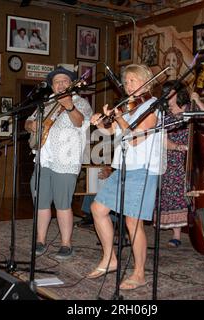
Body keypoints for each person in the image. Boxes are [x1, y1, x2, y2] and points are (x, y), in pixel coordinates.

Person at [88, 64, 162, 290]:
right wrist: (101, 122)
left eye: (133, 80)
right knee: (98, 209)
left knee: (133, 221)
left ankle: (139, 274)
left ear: (146, 82)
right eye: (127, 81)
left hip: (142, 168)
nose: (128, 85)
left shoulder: (153, 106)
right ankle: (110, 258)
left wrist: (119, 118)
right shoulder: (129, 107)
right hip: (122, 167)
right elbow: (112, 133)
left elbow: (137, 138)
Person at [24, 66, 93, 259]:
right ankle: (40, 240)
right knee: (41, 202)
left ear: (71, 84)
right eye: (57, 82)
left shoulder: (81, 103)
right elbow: (28, 122)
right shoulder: (46, 103)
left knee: (63, 203)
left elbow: (80, 122)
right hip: (44, 160)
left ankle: (66, 244)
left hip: (66, 160)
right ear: (52, 86)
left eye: (64, 81)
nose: (61, 84)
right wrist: (31, 125)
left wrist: (69, 105)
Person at [154, 81, 204, 248]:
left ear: (178, 94)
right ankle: (176, 234)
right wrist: (177, 147)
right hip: (172, 159)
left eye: (170, 93)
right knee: (173, 195)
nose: (167, 96)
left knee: (192, 195)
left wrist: (198, 100)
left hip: (192, 160)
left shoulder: (191, 108)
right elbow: (161, 138)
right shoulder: (164, 113)